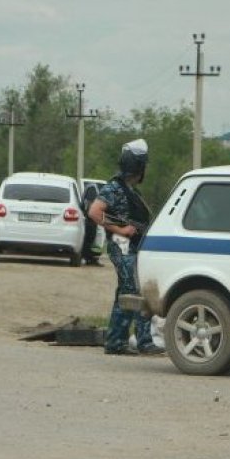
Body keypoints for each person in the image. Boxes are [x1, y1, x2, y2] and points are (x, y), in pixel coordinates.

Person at [87, 139, 165, 356]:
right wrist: (121, 230)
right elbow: (94, 212)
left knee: (130, 291)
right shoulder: (114, 188)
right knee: (132, 292)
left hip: (133, 246)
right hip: (122, 245)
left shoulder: (130, 189)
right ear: (139, 166)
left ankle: (131, 340)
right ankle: (123, 342)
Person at [80, 183, 101, 266]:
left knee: (88, 239)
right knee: (90, 239)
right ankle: (90, 258)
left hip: (87, 217)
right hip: (90, 218)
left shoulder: (90, 188)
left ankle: (88, 258)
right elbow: (91, 203)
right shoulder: (93, 188)